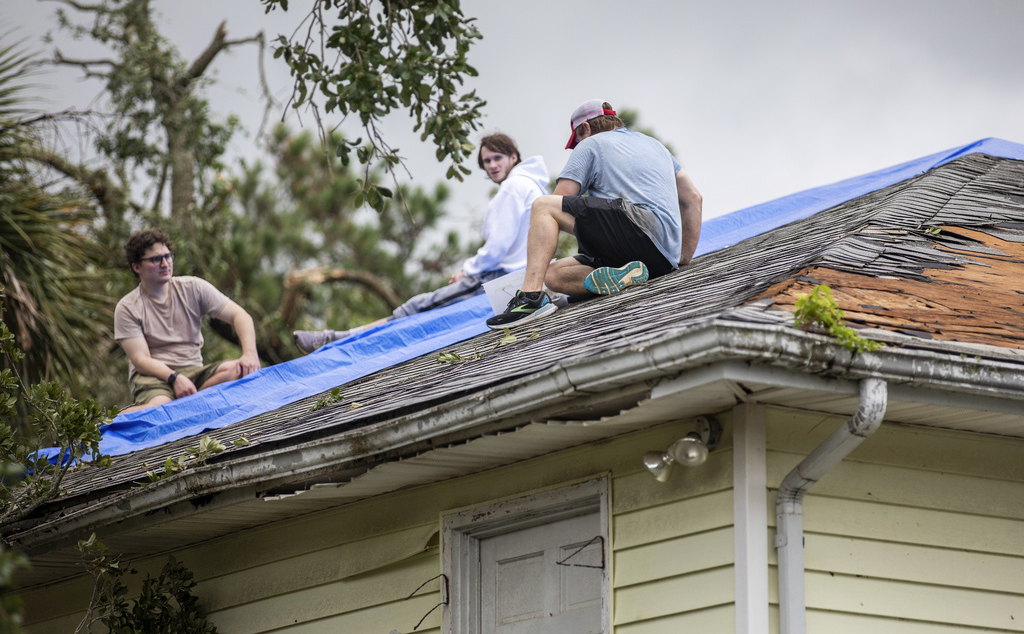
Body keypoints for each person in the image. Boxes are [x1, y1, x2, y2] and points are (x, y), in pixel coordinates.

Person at [293, 133, 549, 353]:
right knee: (421, 308)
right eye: (486, 161)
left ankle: (337, 339)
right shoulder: (532, 186)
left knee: (418, 308)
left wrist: (467, 271)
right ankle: (340, 336)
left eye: (497, 158)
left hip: (498, 275)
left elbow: (497, 247)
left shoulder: (512, 188)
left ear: (513, 157)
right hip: (524, 274)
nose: (492, 165)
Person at [485, 99, 702, 329]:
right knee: (553, 275)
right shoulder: (656, 145)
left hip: (635, 230)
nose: (578, 144)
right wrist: (682, 258)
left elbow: (559, 202)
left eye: (577, 138)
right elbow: (693, 198)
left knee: (543, 206)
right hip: (659, 260)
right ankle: (619, 277)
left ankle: (530, 298)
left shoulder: (591, 144)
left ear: (585, 129)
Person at [114, 229, 261, 413]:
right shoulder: (127, 307)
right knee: (160, 410)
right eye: (155, 259)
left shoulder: (193, 287)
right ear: (137, 267)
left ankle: (191, 404)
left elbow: (240, 316)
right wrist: (174, 378)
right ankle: (111, 422)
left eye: (168, 256)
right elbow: (141, 360)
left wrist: (250, 354)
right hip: (154, 378)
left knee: (240, 371)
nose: (165, 263)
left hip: (194, 371)